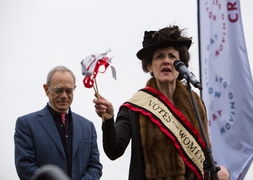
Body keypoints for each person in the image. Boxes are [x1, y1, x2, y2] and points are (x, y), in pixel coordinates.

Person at [93, 25, 230, 180]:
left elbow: (204, 155)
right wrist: (109, 119)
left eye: (172, 56)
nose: (166, 61)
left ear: (181, 65)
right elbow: (114, 151)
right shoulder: (135, 106)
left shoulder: (196, 103)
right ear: (150, 66)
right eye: (159, 56)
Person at [14, 66, 102, 180]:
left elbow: (95, 166)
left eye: (69, 90)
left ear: (74, 89)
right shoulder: (26, 124)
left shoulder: (88, 127)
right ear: (46, 89)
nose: (64, 96)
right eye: (58, 90)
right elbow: (25, 167)